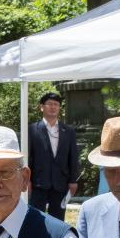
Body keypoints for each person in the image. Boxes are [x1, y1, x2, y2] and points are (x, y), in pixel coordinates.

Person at [27, 91, 79, 220]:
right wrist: (26, 180)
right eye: (49, 104)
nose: (53, 107)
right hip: (37, 182)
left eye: (56, 104)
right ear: (42, 107)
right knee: (35, 217)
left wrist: (73, 180)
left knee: (58, 218)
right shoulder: (32, 129)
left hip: (60, 182)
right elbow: (28, 156)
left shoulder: (68, 131)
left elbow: (73, 157)